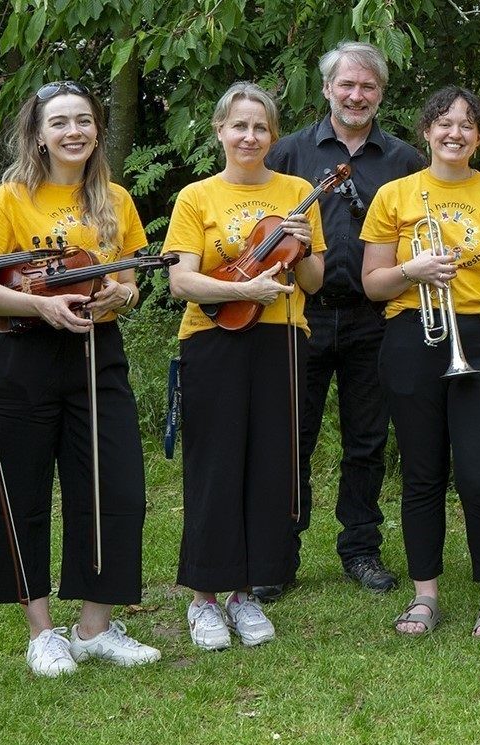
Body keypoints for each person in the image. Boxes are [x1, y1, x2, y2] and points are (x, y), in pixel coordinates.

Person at [0, 81, 160, 677]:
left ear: (97, 131)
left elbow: (133, 282)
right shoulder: (11, 198)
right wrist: (39, 306)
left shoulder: (115, 199)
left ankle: (95, 627)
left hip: (97, 352)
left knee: (113, 486)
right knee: (20, 489)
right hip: (24, 356)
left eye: (84, 121)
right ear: (38, 134)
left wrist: (120, 292)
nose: (74, 132)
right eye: (60, 122)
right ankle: (42, 631)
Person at [360, 87, 480, 639]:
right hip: (414, 333)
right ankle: (425, 594)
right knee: (421, 474)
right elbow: (372, 283)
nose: (454, 133)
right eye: (443, 123)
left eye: (466, 124)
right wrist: (413, 270)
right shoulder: (395, 194)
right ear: (426, 131)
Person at [261, 41, 426, 601]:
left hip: (375, 318)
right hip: (301, 315)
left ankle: (360, 547)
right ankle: (282, 549)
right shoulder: (287, 153)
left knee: (367, 439)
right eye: (347, 86)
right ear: (327, 89)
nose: (357, 96)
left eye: (369, 87)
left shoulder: (405, 160)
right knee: (292, 436)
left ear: (381, 94)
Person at [166, 82, 325, 650]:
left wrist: (302, 249)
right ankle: (205, 597)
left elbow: (313, 282)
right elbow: (179, 279)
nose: (250, 136)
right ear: (220, 131)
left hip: (281, 337)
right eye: (239, 126)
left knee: (269, 463)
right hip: (213, 336)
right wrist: (245, 288)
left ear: (273, 136)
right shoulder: (196, 197)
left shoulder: (299, 191)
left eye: (260, 127)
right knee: (215, 464)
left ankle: (247, 593)